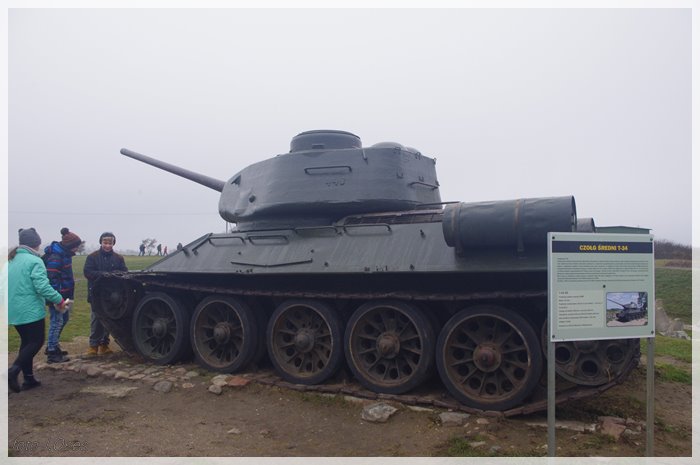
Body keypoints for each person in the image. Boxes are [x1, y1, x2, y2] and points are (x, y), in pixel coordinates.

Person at [5, 228, 67, 392]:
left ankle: (29, 378)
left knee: (26, 342)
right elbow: (42, 287)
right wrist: (59, 299)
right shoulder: (35, 261)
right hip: (30, 310)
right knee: (36, 341)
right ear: (36, 243)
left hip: (13, 309)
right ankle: (13, 371)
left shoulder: (11, 260)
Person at [84, 232, 128, 356]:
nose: (107, 245)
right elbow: (88, 272)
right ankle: (93, 346)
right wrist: (102, 275)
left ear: (113, 244)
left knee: (109, 320)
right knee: (96, 320)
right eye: (105, 242)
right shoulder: (92, 257)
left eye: (110, 243)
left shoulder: (119, 258)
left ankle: (104, 344)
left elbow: (124, 272)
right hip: (96, 294)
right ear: (101, 242)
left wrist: (115, 275)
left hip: (112, 296)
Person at [44, 227, 82, 363]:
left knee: (64, 319)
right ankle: (52, 352)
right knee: (57, 321)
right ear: (70, 246)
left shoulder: (66, 255)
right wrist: (56, 299)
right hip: (58, 296)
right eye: (76, 246)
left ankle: (53, 344)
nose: (77, 248)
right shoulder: (56, 256)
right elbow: (52, 278)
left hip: (66, 295)